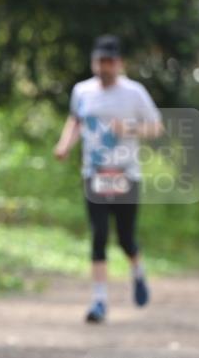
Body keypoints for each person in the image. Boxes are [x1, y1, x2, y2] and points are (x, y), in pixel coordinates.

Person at [54, 35, 162, 323]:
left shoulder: (134, 92)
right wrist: (65, 144)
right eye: (100, 61)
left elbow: (155, 127)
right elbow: (75, 120)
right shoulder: (82, 91)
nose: (104, 67)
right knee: (99, 235)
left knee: (126, 238)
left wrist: (128, 127)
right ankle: (99, 301)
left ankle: (137, 271)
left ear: (119, 64)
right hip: (95, 174)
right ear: (93, 62)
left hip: (125, 174)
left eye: (109, 62)